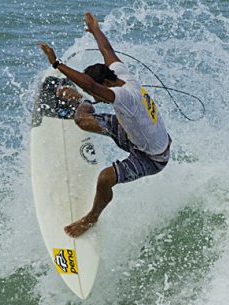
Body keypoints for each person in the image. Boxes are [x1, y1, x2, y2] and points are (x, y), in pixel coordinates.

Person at [39, 12, 171, 238]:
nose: (98, 95)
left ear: (108, 84)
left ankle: (92, 217)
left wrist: (56, 63)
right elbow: (107, 51)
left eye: (96, 92)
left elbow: (91, 83)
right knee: (81, 120)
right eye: (93, 93)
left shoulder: (123, 95)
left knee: (104, 178)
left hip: (152, 157)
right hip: (132, 133)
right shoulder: (120, 73)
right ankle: (81, 101)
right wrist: (95, 29)